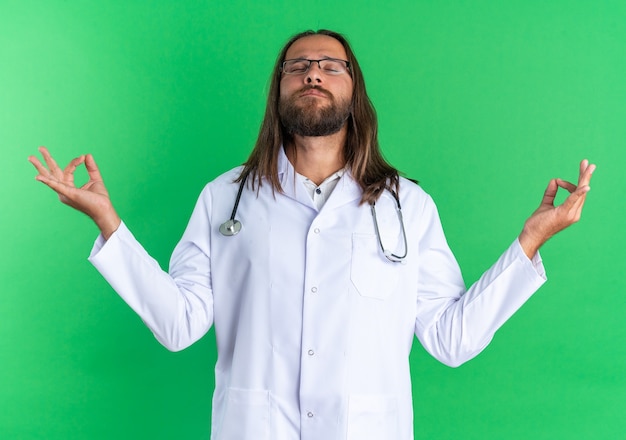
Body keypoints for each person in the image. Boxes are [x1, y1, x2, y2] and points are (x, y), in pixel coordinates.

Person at [29, 29, 595, 440]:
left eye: (331, 65)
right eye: (297, 66)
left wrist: (530, 243)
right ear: (279, 90)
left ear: (355, 91)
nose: (313, 73)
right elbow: (179, 325)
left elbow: (451, 339)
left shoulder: (408, 206)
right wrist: (109, 223)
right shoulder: (224, 197)